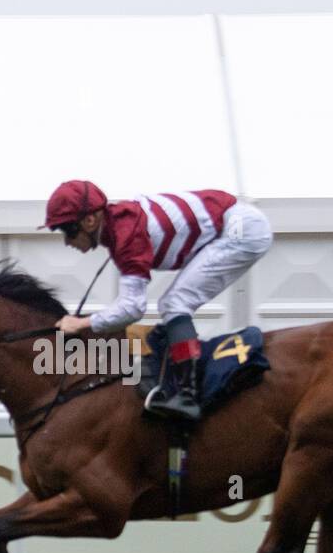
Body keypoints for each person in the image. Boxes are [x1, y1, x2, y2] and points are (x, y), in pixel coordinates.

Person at [43, 179, 272, 422]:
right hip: (234, 222)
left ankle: (188, 395)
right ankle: (185, 385)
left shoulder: (127, 236)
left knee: (175, 304)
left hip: (241, 231)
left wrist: (81, 324)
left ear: (90, 221)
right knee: (172, 303)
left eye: (68, 230)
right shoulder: (120, 226)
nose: (67, 241)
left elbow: (133, 308)